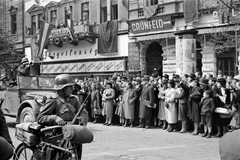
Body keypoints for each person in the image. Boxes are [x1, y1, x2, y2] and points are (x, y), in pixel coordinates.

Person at [37, 74, 89, 159]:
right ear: (61, 88)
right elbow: (40, 117)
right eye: (69, 87)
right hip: (58, 135)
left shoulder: (74, 100)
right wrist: (55, 118)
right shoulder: (53, 101)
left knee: (76, 156)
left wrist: (82, 123)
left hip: (73, 133)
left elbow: (84, 113)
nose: (72, 89)